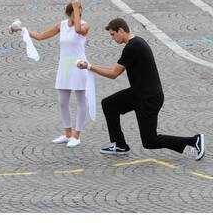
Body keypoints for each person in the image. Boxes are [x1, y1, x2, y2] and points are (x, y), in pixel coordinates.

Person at [79, 17, 204, 160]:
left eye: (113, 34)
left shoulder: (133, 47)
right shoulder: (136, 42)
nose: (112, 38)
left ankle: (194, 141)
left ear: (121, 30)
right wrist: (90, 66)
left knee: (150, 141)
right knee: (109, 104)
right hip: (138, 93)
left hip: (149, 98)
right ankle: (119, 144)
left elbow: (113, 73)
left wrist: (89, 66)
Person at [12, 0, 95, 148]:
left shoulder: (84, 25)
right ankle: (68, 133)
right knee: (62, 101)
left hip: (79, 65)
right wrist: (22, 29)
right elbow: (40, 36)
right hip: (65, 66)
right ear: (68, 14)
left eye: (80, 13)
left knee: (81, 101)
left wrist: (76, 9)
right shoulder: (61, 25)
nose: (79, 15)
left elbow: (77, 30)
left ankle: (77, 135)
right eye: (76, 13)